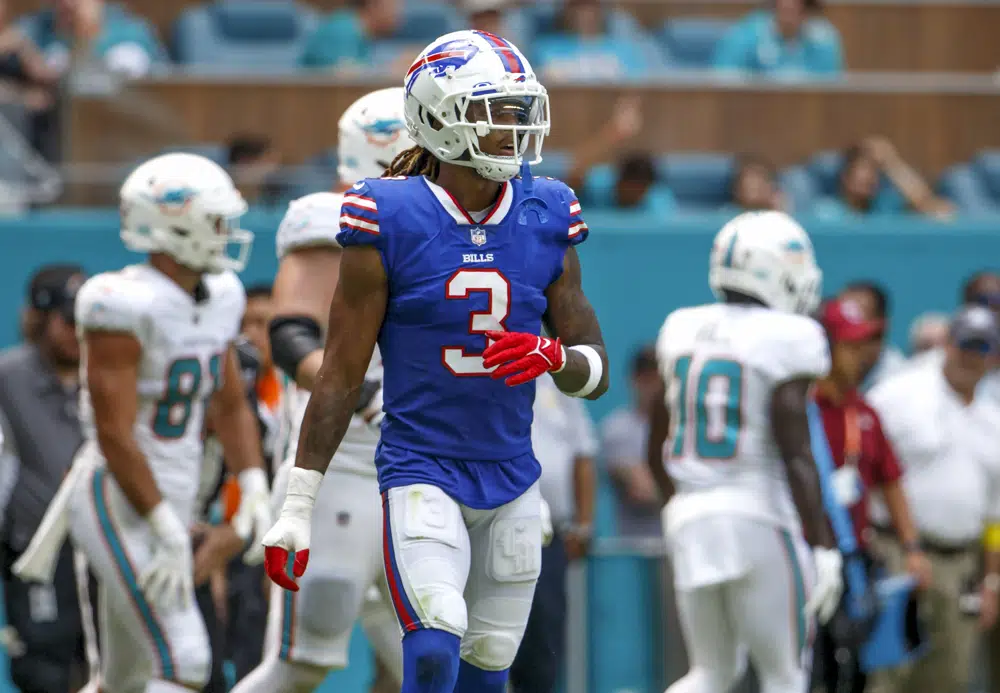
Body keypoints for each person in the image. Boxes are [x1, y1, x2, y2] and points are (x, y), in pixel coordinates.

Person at [263, 29, 609, 693]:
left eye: (517, 110)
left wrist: (551, 355)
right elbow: (338, 368)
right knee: (430, 646)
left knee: (488, 671)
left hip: (513, 473)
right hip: (420, 464)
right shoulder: (386, 214)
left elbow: (596, 371)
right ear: (440, 117)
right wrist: (296, 503)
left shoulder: (547, 209)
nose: (514, 127)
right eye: (495, 111)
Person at [13, 153, 274, 693]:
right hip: (119, 496)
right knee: (185, 660)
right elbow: (113, 433)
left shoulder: (221, 294)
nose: (228, 232)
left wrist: (251, 480)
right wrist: (161, 526)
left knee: (124, 678)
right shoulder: (121, 303)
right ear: (175, 223)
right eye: (216, 220)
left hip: (172, 493)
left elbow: (227, 400)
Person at [233, 87, 414, 693]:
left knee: (437, 662)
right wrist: (357, 392)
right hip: (345, 463)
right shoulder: (331, 218)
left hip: (428, 465)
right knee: (302, 663)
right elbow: (292, 337)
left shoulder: (466, 225)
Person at [646, 211, 843, 693]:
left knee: (711, 672)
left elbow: (657, 437)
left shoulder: (682, 327)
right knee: (784, 675)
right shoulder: (789, 338)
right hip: (759, 515)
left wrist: (680, 502)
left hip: (691, 514)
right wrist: (823, 543)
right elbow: (796, 450)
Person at [867, 305, 1000, 693]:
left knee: (949, 678)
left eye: (983, 348)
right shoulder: (900, 394)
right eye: (965, 345)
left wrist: (991, 582)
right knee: (885, 676)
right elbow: (866, 467)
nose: (971, 357)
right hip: (897, 553)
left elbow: (995, 515)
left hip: (962, 564)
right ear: (947, 344)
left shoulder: (993, 419)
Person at [810, 297, 931, 693]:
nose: (861, 356)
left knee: (858, 674)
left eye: (864, 345)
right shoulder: (800, 409)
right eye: (850, 345)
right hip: (808, 562)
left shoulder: (862, 409)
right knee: (811, 672)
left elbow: (891, 481)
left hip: (854, 564)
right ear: (824, 349)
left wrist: (912, 547)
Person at [0, 264, 89, 693]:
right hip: (37, 551)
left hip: (101, 549)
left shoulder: (107, 374)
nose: (78, 332)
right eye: (68, 321)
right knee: (44, 674)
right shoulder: (9, 377)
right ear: (40, 319)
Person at [510, 372, 598, 693]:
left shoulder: (561, 381)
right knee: (490, 637)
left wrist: (584, 524)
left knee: (543, 637)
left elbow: (583, 453)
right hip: (493, 524)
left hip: (549, 537)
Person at [601, 345, 664, 538]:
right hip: (637, 551)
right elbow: (644, 490)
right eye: (646, 378)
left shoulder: (683, 427)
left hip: (680, 548)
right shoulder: (617, 429)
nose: (653, 386)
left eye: (658, 378)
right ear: (634, 379)